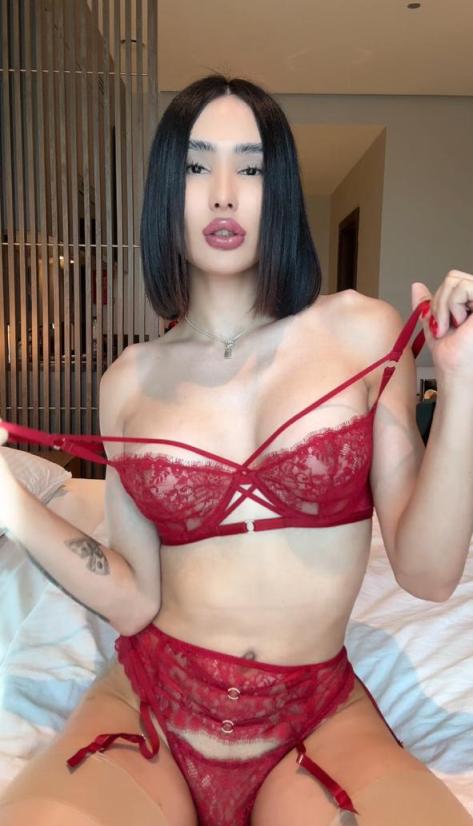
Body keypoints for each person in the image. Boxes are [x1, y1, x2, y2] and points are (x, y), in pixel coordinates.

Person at [1, 73, 473, 826]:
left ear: (276, 190)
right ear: (168, 190)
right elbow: (134, 598)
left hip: (314, 717)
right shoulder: (127, 380)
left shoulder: (362, 332)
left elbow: (427, 572)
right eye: (197, 166)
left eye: (250, 168)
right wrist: (10, 499)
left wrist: (462, 381)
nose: (223, 195)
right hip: (151, 706)